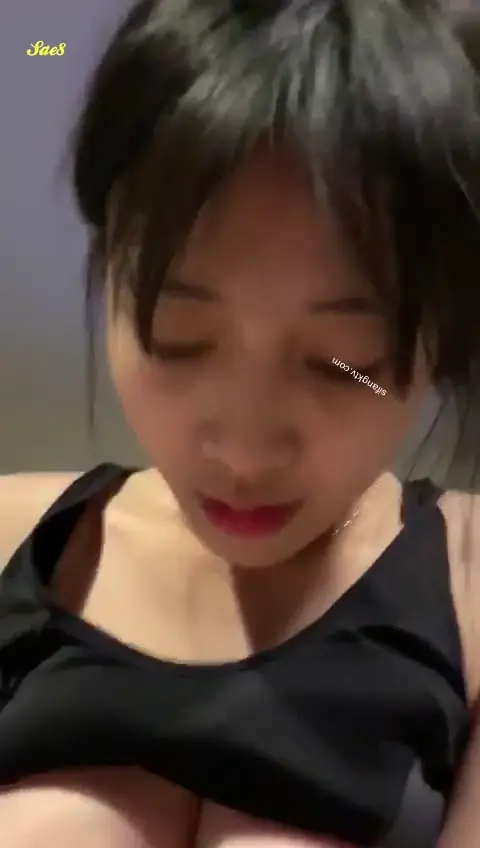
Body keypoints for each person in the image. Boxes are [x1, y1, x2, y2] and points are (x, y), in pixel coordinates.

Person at [1, 0, 480, 845]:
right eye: (177, 337)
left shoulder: (469, 586)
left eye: (345, 363)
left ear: (439, 336)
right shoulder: (15, 537)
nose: (245, 451)